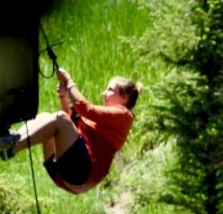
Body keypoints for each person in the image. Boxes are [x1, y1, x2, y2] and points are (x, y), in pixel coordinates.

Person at [13, 67, 141, 194]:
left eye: (110, 90)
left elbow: (86, 109)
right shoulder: (107, 119)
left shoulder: (124, 116)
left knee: (60, 118)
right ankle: (12, 140)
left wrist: (69, 80)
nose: (104, 93)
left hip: (81, 172)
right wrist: (63, 97)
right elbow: (64, 128)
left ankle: (13, 146)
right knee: (46, 116)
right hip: (68, 173)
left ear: (124, 97)